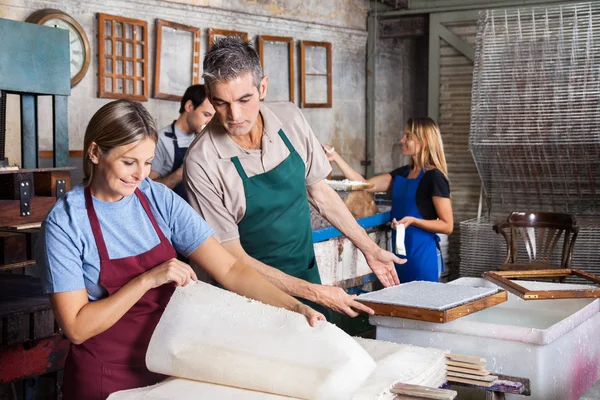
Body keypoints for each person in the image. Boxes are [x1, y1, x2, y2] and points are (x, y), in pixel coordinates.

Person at [36, 100, 323, 400]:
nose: (140, 175)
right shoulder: (66, 223)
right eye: (128, 162)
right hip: (104, 379)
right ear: (95, 153)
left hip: (171, 368)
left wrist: (293, 307)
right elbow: (77, 327)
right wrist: (148, 279)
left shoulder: (157, 198)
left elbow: (230, 269)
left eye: (147, 162)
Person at [183, 37, 403, 319]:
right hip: (249, 297)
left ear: (262, 87)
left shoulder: (289, 118)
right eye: (221, 103)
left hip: (306, 274)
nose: (234, 115)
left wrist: (369, 249)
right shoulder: (201, 161)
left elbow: (320, 193)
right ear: (208, 95)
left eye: (244, 100)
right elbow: (231, 259)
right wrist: (314, 294)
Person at [323, 117, 453, 283]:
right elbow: (365, 185)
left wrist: (414, 221)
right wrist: (336, 158)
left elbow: (447, 225)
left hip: (422, 257)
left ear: (424, 141)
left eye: (408, 136)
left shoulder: (435, 178)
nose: (402, 140)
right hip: (398, 255)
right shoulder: (403, 173)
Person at [149, 84, 214, 200]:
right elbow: (148, 189)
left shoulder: (203, 139)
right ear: (189, 106)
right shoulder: (160, 140)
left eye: (213, 118)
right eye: (206, 115)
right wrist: (181, 172)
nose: (210, 122)